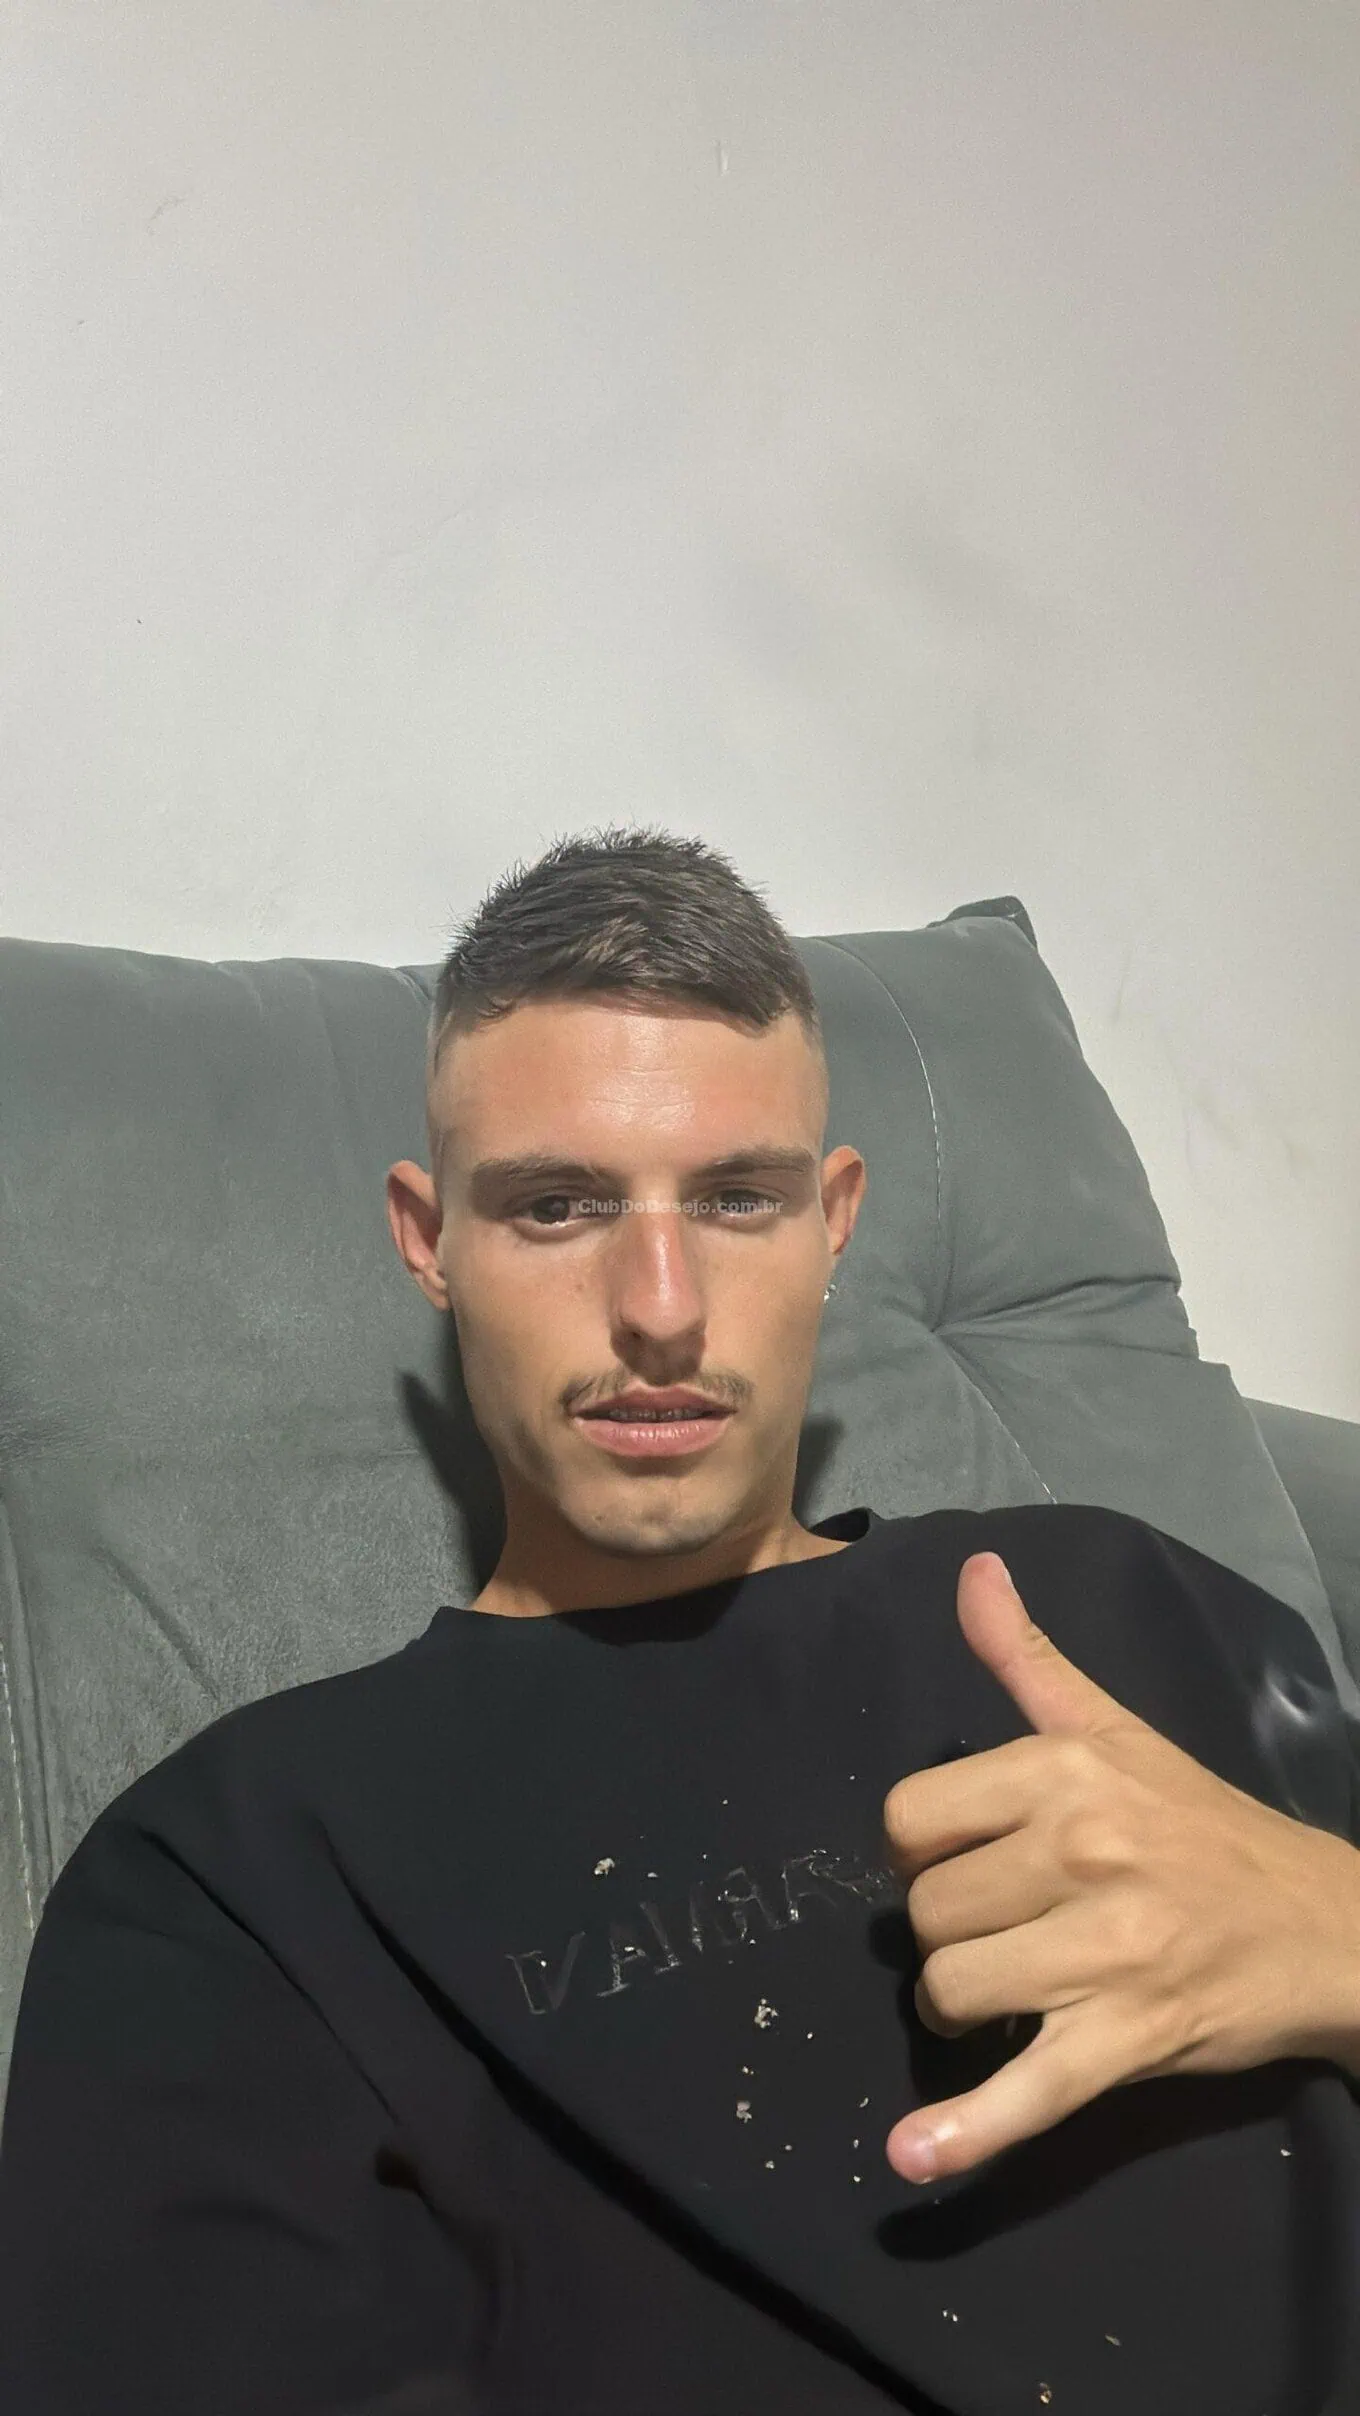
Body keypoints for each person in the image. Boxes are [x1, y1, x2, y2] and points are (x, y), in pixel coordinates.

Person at [1, 826, 1359, 2416]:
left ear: (834, 1221)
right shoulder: (238, 1869)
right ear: (431, 1244)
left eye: (736, 1199)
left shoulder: (1109, 1598)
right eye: (559, 1206)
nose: (660, 1306)